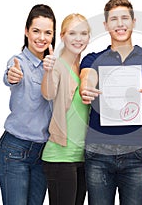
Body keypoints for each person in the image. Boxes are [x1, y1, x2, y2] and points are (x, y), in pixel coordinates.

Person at [79, 0, 142, 205]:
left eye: (125, 18)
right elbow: (87, 76)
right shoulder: (92, 58)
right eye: (114, 19)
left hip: (136, 154)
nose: (120, 24)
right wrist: (86, 87)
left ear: (134, 22)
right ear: (106, 25)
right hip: (98, 153)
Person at [0, 4, 56, 205]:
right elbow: (10, 76)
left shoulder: (53, 65)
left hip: (42, 153)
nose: (42, 38)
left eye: (48, 32)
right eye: (36, 31)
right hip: (15, 150)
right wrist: (12, 76)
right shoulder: (18, 62)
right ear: (26, 31)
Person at [41, 13, 91, 205]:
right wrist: (47, 71)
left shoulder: (84, 67)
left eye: (83, 33)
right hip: (60, 156)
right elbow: (48, 93)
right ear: (62, 36)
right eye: (72, 33)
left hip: (81, 156)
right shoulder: (57, 64)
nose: (78, 38)